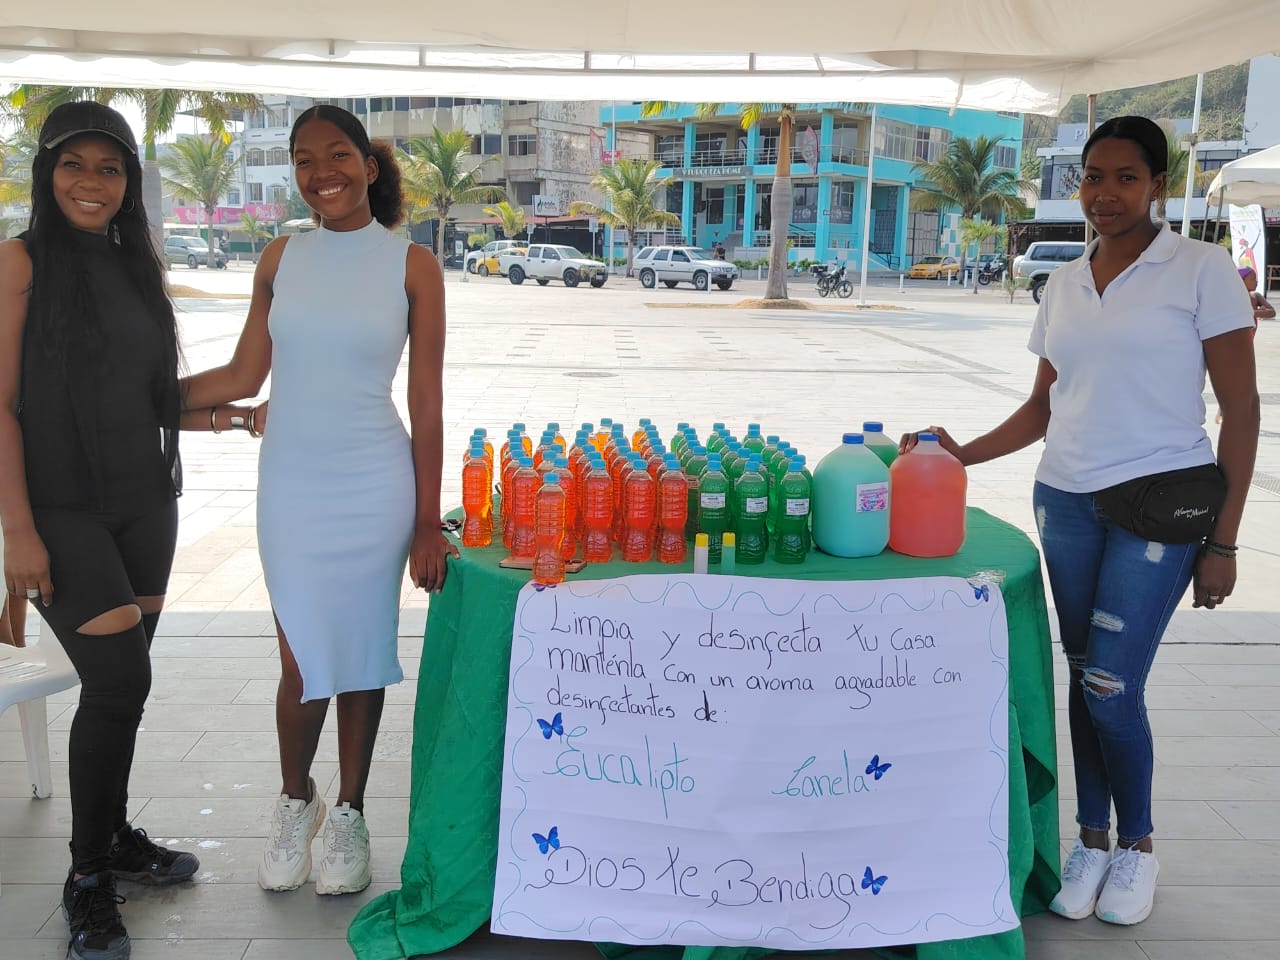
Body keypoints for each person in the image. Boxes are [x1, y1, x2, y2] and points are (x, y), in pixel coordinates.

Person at [900, 116, 1258, 927]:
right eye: (1093, 176)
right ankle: (1091, 840)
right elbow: (1044, 405)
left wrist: (1224, 542)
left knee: (1111, 684)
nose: (1106, 193)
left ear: (1157, 185)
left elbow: (1241, 411)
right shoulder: (1064, 282)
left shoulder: (1201, 269)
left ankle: (1138, 846)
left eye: (1126, 177)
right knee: (1083, 674)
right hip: (1065, 502)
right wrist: (961, 454)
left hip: (1159, 507)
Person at [180, 104, 455, 896]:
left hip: (375, 481)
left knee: (361, 650)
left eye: (337, 155)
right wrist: (146, 398)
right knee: (301, 657)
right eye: (304, 159)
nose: (320, 172)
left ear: (368, 166)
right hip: (293, 485)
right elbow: (244, 376)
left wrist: (426, 520)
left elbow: (427, 401)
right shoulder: (280, 257)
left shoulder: (413, 266)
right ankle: (295, 798)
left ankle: (351, 815)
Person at [0, 101, 201, 960]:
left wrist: (237, 410)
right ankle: (87, 876)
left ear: (130, 181)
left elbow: (149, 394)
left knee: (124, 690)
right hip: (60, 510)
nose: (92, 182)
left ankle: (113, 838)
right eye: (74, 165)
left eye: (110, 168)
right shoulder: (19, 261)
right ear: (47, 173)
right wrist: (18, 532)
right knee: (118, 682)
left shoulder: (134, 263)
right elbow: (0, 405)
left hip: (145, 503)